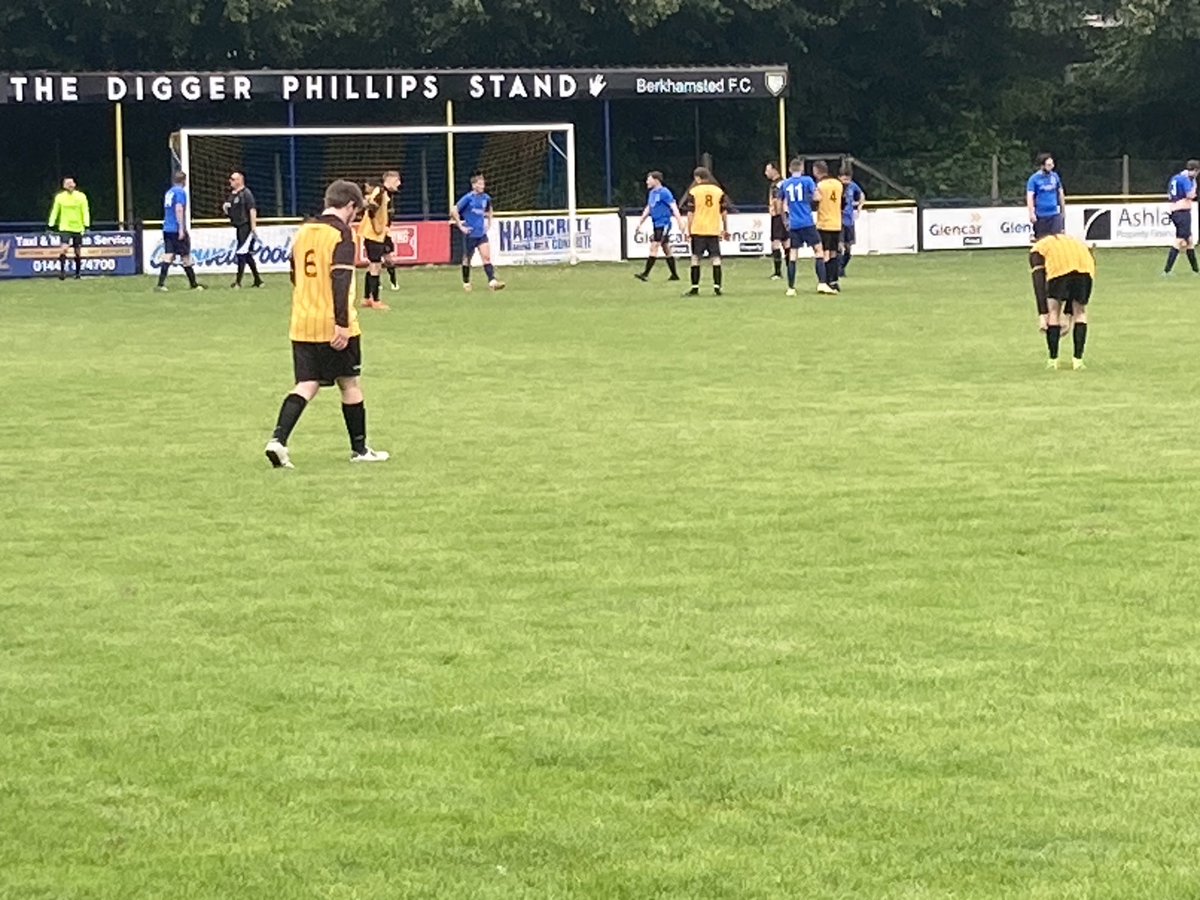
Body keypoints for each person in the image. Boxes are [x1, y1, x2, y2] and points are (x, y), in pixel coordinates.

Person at [264, 179, 389, 468]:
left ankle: (278, 441)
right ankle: (360, 450)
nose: (355, 218)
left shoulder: (303, 231)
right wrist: (342, 325)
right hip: (333, 323)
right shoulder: (342, 234)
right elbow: (341, 279)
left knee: (306, 383)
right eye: (356, 212)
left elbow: (294, 274)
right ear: (349, 206)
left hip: (302, 321)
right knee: (350, 384)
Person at [1029, 233, 1095, 371]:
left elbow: (1039, 282)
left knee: (1053, 310)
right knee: (1081, 312)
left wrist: (1042, 314)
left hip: (1059, 269)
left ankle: (1053, 360)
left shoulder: (1037, 249)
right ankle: (1078, 361)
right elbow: (1073, 272)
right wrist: (1068, 315)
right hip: (1086, 267)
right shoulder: (1070, 241)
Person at [779, 158, 829, 296]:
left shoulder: (785, 183)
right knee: (818, 250)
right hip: (807, 221)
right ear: (801, 169)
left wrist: (785, 220)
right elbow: (817, 197)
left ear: (790, 169)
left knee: (793, 254)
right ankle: (822, 283)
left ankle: (791, 287)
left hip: (794, 223)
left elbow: (780, 203)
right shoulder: (807, 181)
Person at [679, 167, 730, 296]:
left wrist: (688, 230)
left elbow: (691, 212)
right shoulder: (718, 191)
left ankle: (695, 288)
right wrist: (725, 228)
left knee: (696, 258)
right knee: (716, 259)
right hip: (713, 229)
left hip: (698, 229)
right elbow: (723, 212)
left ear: (697, 178)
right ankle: (717, 287)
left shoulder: (694, 191)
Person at [451, 173, 505, 292]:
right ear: (474, 185)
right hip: (469, 233)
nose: (482, 186)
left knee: (486, 257)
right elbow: (454, 210)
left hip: (481, 233)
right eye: (480, 184)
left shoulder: (486, 198)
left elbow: (490, 209)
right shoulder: (468, 198)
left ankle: (492, 281)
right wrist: (460, 225)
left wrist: (489, 222)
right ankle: (466, 282)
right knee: (467, 259)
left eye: (483, 183)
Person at [358, 170, 401, 309]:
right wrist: (375, 222)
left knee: (373, 265)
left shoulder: (384, 193)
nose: (399, 184)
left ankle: (366, 298)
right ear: (389, 180)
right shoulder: (381, 192)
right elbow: (372, 206)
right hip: (374, 234)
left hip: (376, 234)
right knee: (376, 266)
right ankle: (376, 300)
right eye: (397, 181)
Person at [633, 171, 685, 282]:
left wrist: (680, 221)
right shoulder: (652, 193)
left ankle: (645, 274)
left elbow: (673, 207)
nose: (647, 181)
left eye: (649, 179)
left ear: (656, 180)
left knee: (654, 246)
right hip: (656, 224)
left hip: (664, 224)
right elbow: (649, 208)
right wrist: (640, 222)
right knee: (666, 248)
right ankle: (674, 275)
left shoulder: (665, 192)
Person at [156, 171, 203, 292]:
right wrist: (181, 228)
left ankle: (160, 284)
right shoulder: (180, 192)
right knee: (185, 256)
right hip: (176, 228)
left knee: (169, 255)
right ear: (184, 181)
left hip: (167, 228)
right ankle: (194, 284)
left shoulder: (169, 192)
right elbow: (179, 209)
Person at [223, 171, 263, 289]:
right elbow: (228, 209)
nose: (230, 181)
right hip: (238, 227)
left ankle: (238, 282)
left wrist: (253, 227)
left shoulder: (246, 193)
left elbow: (252, 210)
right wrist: (226, 208)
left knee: (241, 253)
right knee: (246, 255)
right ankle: (258, 280)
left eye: (233, 179)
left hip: (246, 227)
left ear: (240, 180)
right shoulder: (233, 194)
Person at [47, 177, 90, 280]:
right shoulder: (60, 197)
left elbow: (85, 211)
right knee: (64, 249)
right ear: (64, 186)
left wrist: (86, 224)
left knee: (77, 251)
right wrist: (51, 224)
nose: (70, 185)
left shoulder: (81, 197)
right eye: (67, 183)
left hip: (78, 227)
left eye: (71, 183)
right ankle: (62, 272)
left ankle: (78, 273)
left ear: (74, 185)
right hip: (65, 227)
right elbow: (55, 210)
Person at [1163, 159, 1200, 276]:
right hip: (1182, 212)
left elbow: (1170, 193)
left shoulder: (1176, 177)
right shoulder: (1186, 179)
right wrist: (1194, 192)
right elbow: (1190, 195)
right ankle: (1167, 271)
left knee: (1189, 240)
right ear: (1194, 170)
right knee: (1179, 241)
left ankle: (1196, 270)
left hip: (1175, 211)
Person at [814, 161, 844, 293]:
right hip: (836, 223)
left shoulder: (820, 185)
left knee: (824, 253)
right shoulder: (838, 184)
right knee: (833, 253)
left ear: (817, 171)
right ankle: (834, 280)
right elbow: (842, 202)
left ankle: (825, 281)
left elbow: (816, 201)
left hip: (824, 223)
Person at [1026, 153, 1065, 239]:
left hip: (1054, 214)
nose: (1051, 167)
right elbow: (1030, 196)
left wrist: (1063, 210)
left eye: (1052, 164)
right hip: (1041, 215)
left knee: (1057, 239)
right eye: (1048, 165)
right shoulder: (1034, 179)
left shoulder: (1055, 176)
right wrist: (1031, 213)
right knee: (1042, 241)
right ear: (1042, 165)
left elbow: (1060, 192)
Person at [764, 162, 789, 280]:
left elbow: (777, 200)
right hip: (785, 215)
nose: (766, 172)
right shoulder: (784, 182)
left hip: (779, 215)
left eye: (768, 170)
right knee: (786, 242)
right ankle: (790, 269)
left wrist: (776, 212)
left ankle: (778, 272)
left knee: (776, 243)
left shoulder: (777, 185)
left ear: (775, 170)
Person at [839, 169, 866, 275]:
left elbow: (861, 195)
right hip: (839, 220)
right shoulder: (837, 187)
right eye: (844, 178)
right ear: (839, 177)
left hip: (849, 220)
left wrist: (859, 207)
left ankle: (842, 267)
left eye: (848, 179)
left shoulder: (853, 186)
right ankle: (838, 270)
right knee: (839, 245)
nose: (846, 181)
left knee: (848, 248)